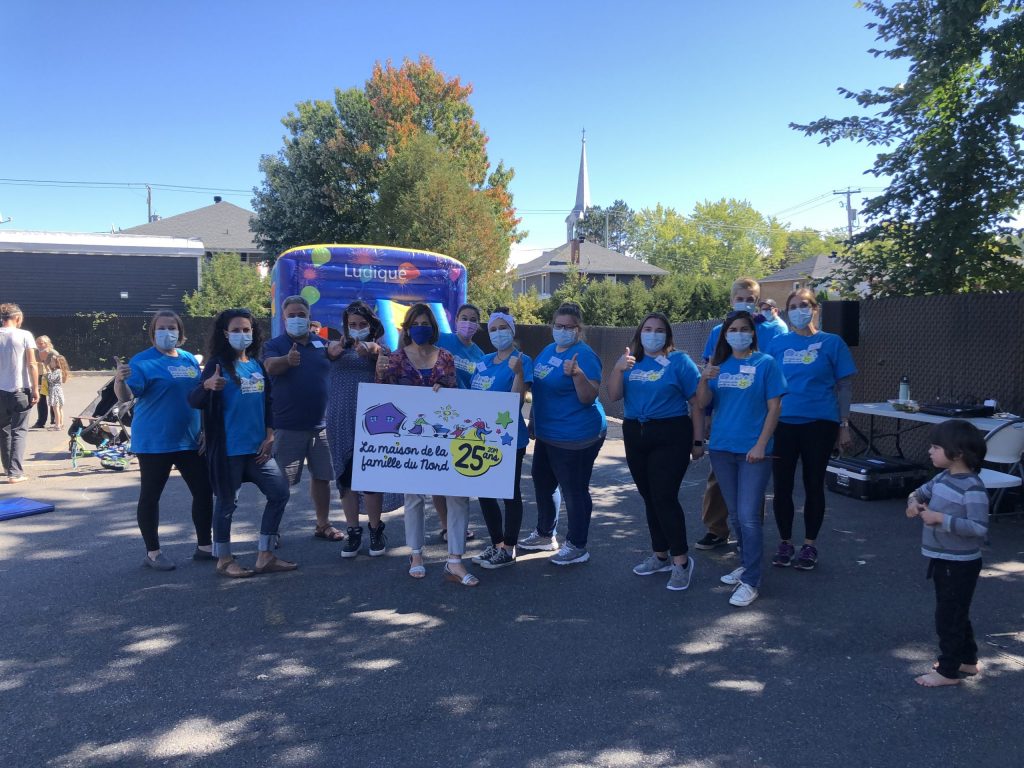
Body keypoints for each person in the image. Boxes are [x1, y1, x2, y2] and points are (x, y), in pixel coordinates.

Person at [189, 308, 294, 578]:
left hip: (257, 449)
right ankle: (223, 559)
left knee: (279, 492)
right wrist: (208, 386)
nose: (242, 334)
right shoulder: (216, 365)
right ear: (225, 334)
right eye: (235, 330)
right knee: (226, 504)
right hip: (228, 451)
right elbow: (194, 401)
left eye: (246, 329)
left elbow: (268, 402)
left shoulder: (256, 364)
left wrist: (270, 435)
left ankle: (265, 554)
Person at [377, 303, 476, 585]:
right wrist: (380, 372)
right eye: (416, 323)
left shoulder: (445, 356)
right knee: (414, 497)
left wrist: (444, 391)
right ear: (408, 328)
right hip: (409, 439)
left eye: (426, 323)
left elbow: (454, 392)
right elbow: (381, 396)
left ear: (433, 328)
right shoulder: (395, 359)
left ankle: (455, 560)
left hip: (443, 436)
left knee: (457, 495)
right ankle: (416, 554)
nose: (421, 327)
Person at [607, 312, 703, 591]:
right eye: (647, 329)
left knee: (664, 497)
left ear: (667, 335)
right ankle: (660, 554)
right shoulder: (630, 363)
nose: (653, 334)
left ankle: (681, 561)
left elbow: (697, 403)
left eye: (658, 330)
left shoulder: (679, 362)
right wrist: (617, 368)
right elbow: (613, 395)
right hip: (636, 432)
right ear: (639, 334)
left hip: (671, 433)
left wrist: (698, 441)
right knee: (649, 496)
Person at [696, 310, 786, 607]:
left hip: (753, 451)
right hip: (722, 449)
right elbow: (703, 403)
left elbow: (774, 408)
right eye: (732, 329)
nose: (738, 333)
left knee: (748, 516)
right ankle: (747, 564)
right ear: (725, 335)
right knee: (735, 515)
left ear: (752, 333)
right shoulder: (719, 366)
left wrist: (761, 444)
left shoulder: (766, 363)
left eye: (743, 328)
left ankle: (751, 580)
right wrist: (704, 379)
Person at [114, 311, 214, 571]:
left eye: (172, 327)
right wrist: (119, 380)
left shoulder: (189, 359)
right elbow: (126, 396)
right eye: (162, 328)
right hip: (155, 442)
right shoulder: (142, 362)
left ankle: (205, 547)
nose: (167, 332)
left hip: (190, 441)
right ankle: (154, 553)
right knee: (150, 497)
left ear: (180, 332)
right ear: (153, 332)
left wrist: (205, 429)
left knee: (203, 492)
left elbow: (199, 397)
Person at [768, 288, 857, 570]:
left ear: (815, 309)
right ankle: (785, 542)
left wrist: (844, 425)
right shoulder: (778, 344)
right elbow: (766, 385)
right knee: (781, 487)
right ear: (786, 312)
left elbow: (844, 387)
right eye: (792, 306)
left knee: (813, 485)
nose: (798, 310)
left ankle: (809, 545)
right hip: (782, 424)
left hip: (820, 423)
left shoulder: (832, 343)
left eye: (804, 305)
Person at [906, 420, 989, 687]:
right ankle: (967, 660)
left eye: (936, 447)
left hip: (961, 563)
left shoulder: (972, 488)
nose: (930, 451)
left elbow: (978, 527)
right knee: (956, 612)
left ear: (958, 453)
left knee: (948, 616)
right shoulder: (942, 478)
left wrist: (941, 518)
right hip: (943, 558)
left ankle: (948, 671)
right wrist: (913, 504)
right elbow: (917, 493)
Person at [528, 302, 606, 566]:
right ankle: (544, 534)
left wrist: (577, 374)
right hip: (548, 433)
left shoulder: (584, 355)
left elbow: (588, 396)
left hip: (576, 436)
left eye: (568, 327)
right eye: (558, 326)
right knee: (542, 482)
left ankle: (577, 544)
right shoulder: (548, 350)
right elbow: (539, 389)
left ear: (578, 329)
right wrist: (533, 422)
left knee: (574, 490)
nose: (562, 330)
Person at [262, 295, 343, 543]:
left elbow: (339, 356)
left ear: (309, 318)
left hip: (322, 426)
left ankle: (323, 524)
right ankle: (272, 530)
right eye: (292, 315)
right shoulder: (275, 344)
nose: (297, 319)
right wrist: (287, 360)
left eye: (302, 314)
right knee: (281, 483)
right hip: (288, 426)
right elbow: (269, 367)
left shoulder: (322, 344)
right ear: (284, 318)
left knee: (322, 478)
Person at [326, 300, 390, 558]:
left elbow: (389, 370)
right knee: (345, 477)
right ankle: (353, 530)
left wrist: (375, 352)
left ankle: (375, 529)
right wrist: (338, 346)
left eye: (362, 324)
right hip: (339, 418)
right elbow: (329, 352)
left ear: (371, 325)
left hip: (370, 419)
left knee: (371, 476)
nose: (357, 328)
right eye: (352, 325)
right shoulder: (335, 347)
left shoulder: (382, 349)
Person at [470, 308, 532, 570]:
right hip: (482, 436)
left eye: (502, 328)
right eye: (493, 329)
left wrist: (518, 373)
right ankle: (496, 544)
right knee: (484, 492)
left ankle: (509, 547)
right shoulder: (483, 361)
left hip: (507, 438)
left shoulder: (521, 360)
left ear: (512, 330)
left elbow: (517, 401)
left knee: (508, 493)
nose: (497, 334)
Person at [434, 302, 483, 543]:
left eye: (473, 319)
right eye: (464, 318)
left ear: (478, 325)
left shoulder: (480, 355)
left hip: (465, 417)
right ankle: (446, 526)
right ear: (456, 321)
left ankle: (459, 524)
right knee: (439, 474)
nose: (468, 323)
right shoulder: (442, 339)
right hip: (438, 411)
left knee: (459, 473)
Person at [0, 303, 39, 484]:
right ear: (17, 318)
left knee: (4, 429)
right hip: (20, 389)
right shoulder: (24, 335)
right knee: (19, 430)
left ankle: (8, 466)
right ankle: (15, 472)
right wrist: (36, 388)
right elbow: (32, 364)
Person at [32, 335, 56, 429]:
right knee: (41, 399)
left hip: (51, 377)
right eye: (37, 343)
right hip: (39, 377)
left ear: (47, 344)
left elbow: (60, 366)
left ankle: (55, 420)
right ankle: (41, 422)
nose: (38, 345)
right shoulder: (35, 352)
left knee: (53, 398)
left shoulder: (53, 353)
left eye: (41, 343)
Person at [45, 352, 70, 431]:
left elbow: (51, 379)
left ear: (57, 363)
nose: (50, 363)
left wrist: (48, 371)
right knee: (59, 409)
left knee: (56, 409)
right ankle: (61, 423)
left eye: (52, 361)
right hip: (57, 390)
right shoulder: (58, 371)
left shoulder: (57, 371)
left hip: (55, 391)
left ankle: (57, 425)